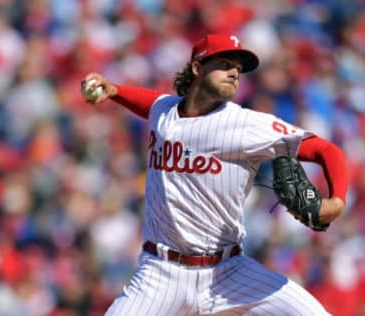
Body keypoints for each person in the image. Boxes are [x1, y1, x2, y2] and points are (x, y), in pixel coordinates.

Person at [81, 33, 348, 315]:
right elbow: (152, 104)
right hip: (159, 274)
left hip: (228, 272)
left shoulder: (245, 125)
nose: (234, 72)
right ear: (197, 68)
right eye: (224, 63)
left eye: (238, 68)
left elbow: (327, 151)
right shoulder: (165, 110)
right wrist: (115, 91)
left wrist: (337, 202)